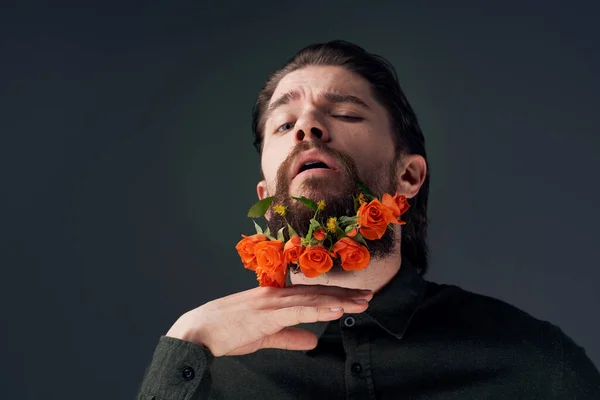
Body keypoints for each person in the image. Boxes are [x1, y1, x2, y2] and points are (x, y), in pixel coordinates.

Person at [137, 40, 600, 399]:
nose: (307, 128)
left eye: (344, 113)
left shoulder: (535, 363)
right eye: (284, 124)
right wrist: (187, 341)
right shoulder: (203, 371)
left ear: (408, 175)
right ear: (266, 196)